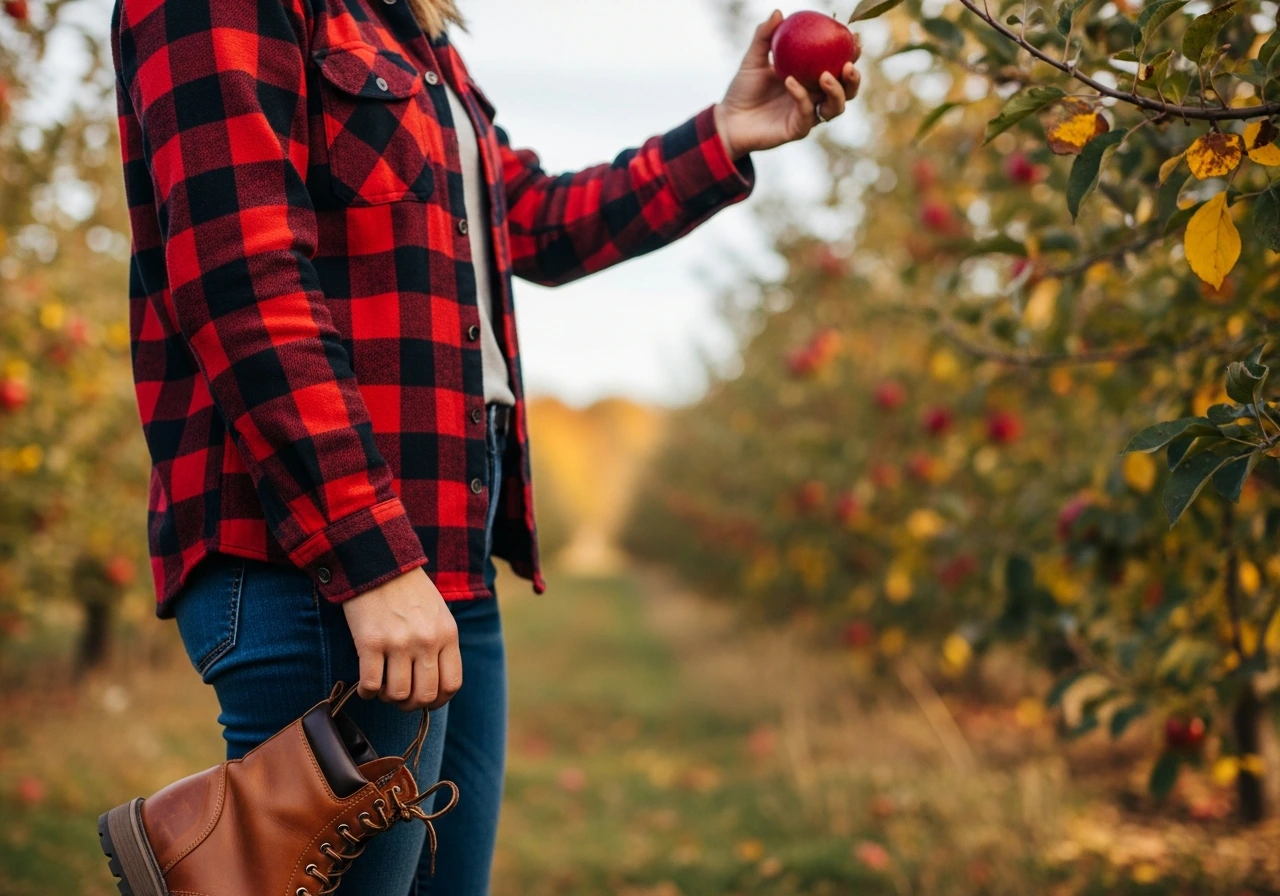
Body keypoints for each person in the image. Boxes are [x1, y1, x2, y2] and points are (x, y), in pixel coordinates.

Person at [108, 0, 860, 892]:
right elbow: (240, 274)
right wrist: (372, 558)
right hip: (321, 560)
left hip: (443, 552)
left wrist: (725, 135)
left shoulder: (404, 31)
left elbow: (531, 219)